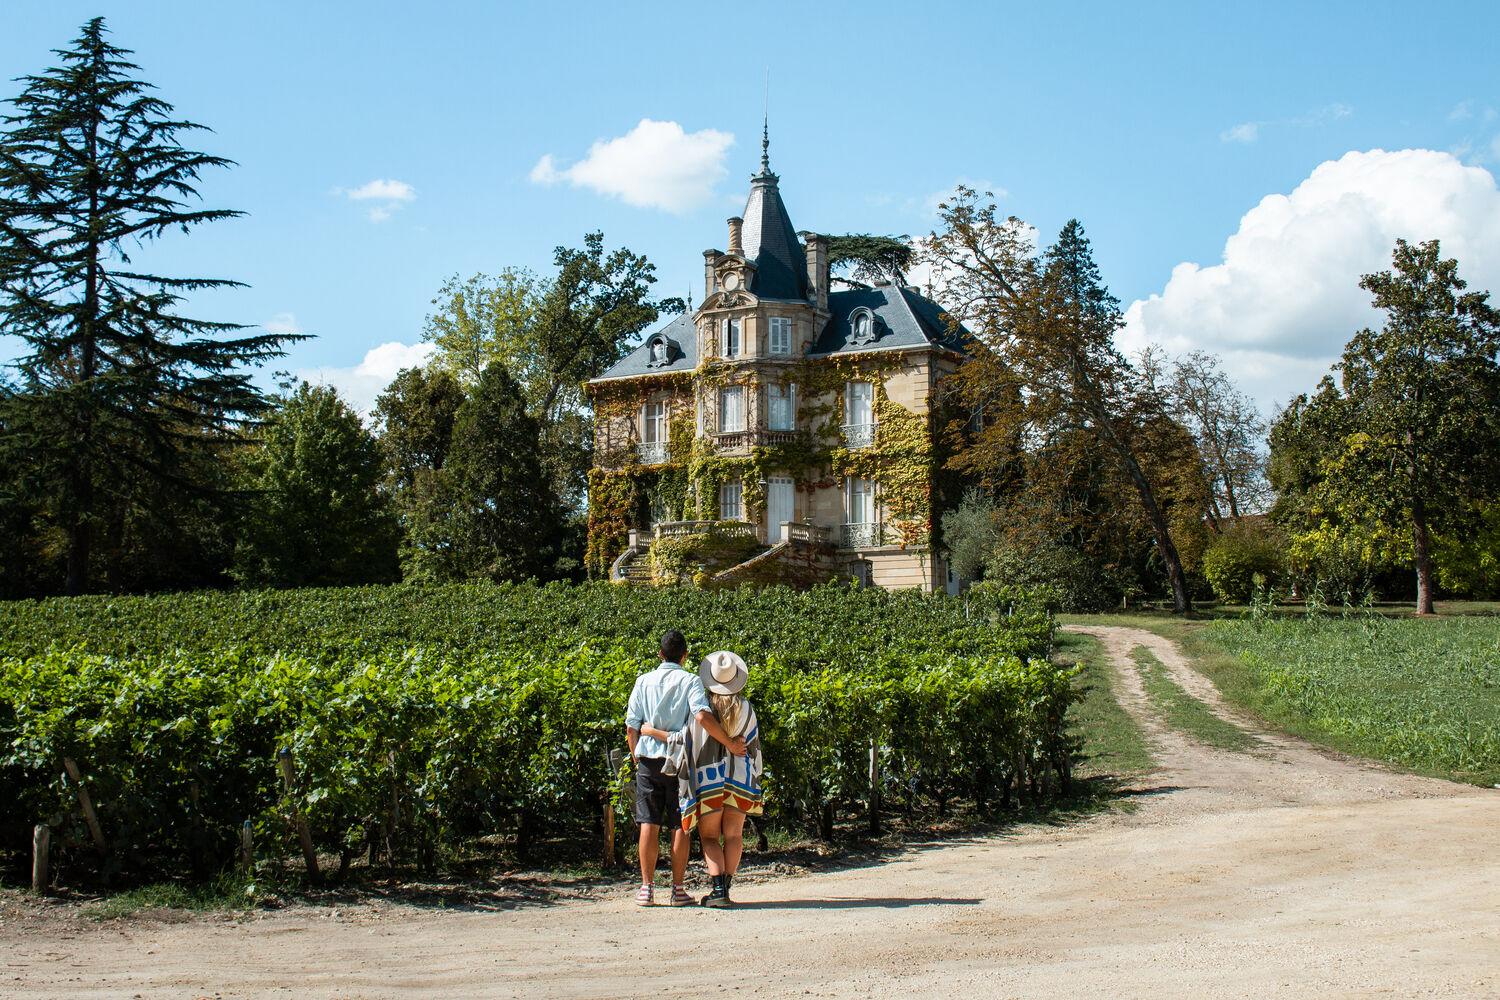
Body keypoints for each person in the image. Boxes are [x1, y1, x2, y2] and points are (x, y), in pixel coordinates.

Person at [625, 630, 746, 907]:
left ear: (660, 653)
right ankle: (678, 889)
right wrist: (728, 742)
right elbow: (702, 716)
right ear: (685, 656)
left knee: (648, 822)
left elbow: (632, 726)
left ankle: (646, 888)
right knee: (681, 824)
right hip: (680, 761)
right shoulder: (690, 681)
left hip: (648, 761)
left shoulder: (643, 681)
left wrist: (636, 757)